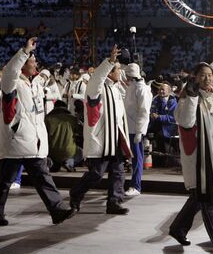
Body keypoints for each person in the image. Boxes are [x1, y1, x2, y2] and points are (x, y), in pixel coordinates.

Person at [0, 37, 75, 226]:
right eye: (32, 60)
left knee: (44, 178)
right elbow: (10, 70)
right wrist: (25, 51)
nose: (35, 62)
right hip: (15, 141)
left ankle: (57, 209)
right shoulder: (12, 83)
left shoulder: (34, 84)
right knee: (4, 181)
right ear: (23, 64)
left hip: (33, 142)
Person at [169, 63, 213, 253]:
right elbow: (186, 121)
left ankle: (178, 228)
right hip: (199, 159)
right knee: (210, 200)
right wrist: (190, 96)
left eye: (210, 75)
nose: (208, 79)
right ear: (195, 77)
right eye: (203, 76)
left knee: (200, 197)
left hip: (212, 157)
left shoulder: (212, 97)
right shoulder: (188, 97)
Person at [69, 45, 132, 215]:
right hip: (102, 140)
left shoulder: (117, 88)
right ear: (109, 71)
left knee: (118, 172)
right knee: (96, 173)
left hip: (116, 137)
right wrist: (109, 61)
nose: (120, 72)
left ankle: (114, 202)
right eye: (117, 69)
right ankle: (75, 193)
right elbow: (97, 78)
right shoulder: (96, 87)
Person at [124, 63, 153, 197]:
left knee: (137, 158)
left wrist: (139, 131)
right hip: (129, 127)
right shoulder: (133, 86)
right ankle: (132, 184)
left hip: (135, 129)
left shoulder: (142, 89)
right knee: (133, 158)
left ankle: (136, 185)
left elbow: (144, 111)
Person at [45, 100, 83, 172]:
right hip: (69, 151)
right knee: (81, 152)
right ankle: (69, 162)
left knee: (51, 158)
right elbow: (82, 132)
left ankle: (51, 163)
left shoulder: (47, 119)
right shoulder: (73, 119)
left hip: (51, 151)